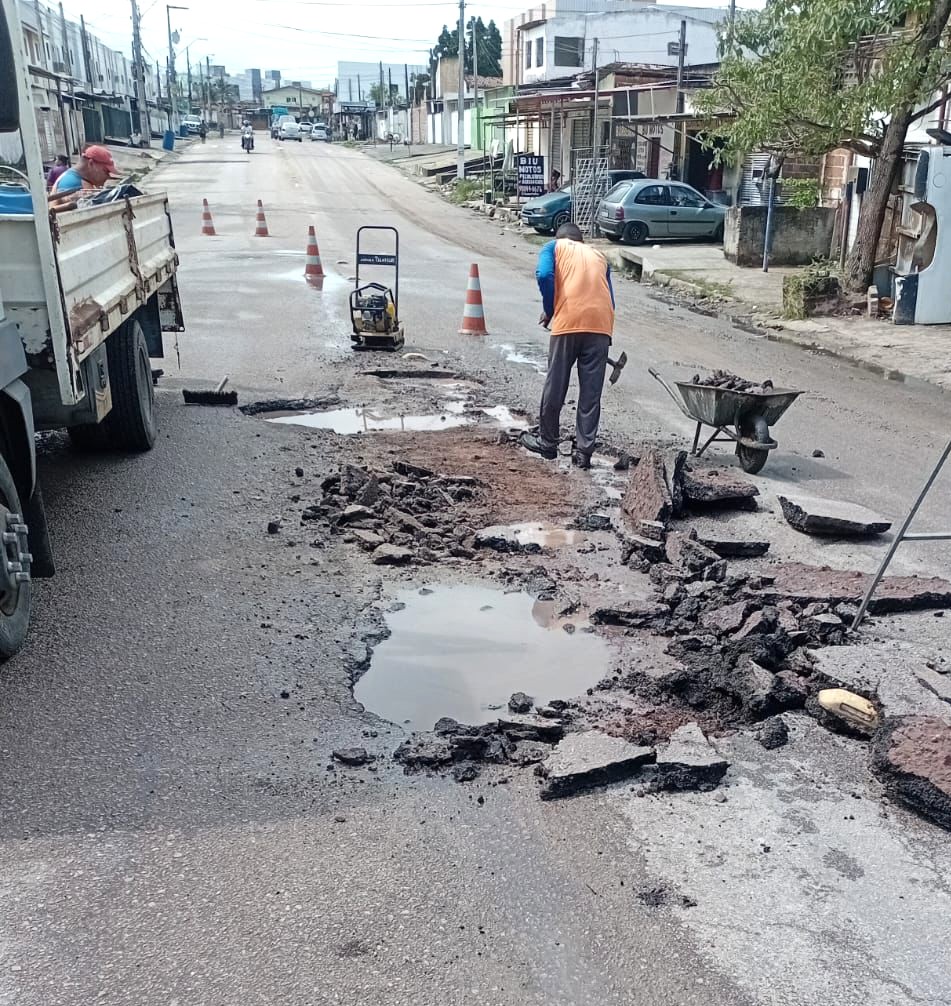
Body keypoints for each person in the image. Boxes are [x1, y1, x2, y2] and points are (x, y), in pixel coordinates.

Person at [519, 222, 615, 470]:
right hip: (601, 326)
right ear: (580, 241)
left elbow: (543, 275)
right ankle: (584, 452)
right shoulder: (600, 256)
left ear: (560, 237)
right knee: (591, 394)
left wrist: (551, 310)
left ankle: (547, 442)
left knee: (556, 384)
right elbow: (610, 297)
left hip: (568, 322)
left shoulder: (553, 247)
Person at [49, 145, 119, 208]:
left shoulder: (73, 176)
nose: (107, 176)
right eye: (106, 171)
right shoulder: (73, 183)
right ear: (91, 164)